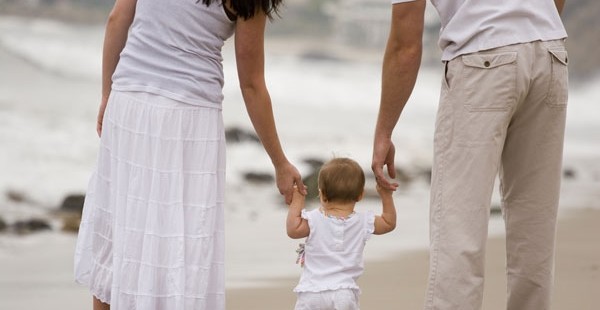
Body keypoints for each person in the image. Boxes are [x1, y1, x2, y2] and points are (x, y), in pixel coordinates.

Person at [73, 0, 307, 309]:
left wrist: (108, 94)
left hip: (128, 103)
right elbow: (251, 85)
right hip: (190, 120)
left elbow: (117, 19)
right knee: (179, 242)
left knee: (118, 229)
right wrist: (279, 162)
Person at [372, 0, 568, 309]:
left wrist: (383, 131)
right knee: (535, 226)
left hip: (483, 57)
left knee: (458, 227)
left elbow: (405, 46)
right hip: (550, 52)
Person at [286, 157, 396, 310]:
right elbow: (388, 223)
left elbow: (293, 230)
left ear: (322, 195)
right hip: (344, 292)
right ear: (360, 195)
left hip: (311, 291)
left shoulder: (314, 219)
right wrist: (386, 196)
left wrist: (297, 199)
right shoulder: (364, 221)